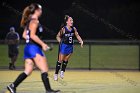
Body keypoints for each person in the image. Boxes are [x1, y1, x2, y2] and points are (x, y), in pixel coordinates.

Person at [7, 3, 60, 93]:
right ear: (36, 11)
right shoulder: (34, 21)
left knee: (28, 71)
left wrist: (35, 43)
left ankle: (13, 86)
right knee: (44, 69)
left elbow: (24, 35)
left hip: (28, 48)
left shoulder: (30, 21)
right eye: (40, 9)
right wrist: (42, 44)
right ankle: (48, 90)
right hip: (34, 48)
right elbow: (32, 35)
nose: (41, 11)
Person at [54, 15, 83, 81]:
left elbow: (77, 35)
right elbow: (57, 36)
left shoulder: (74, 29)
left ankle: (62, 71)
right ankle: (56, 74)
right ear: (67, 22)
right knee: (60, 60)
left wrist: (81, 41)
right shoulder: (64, 29)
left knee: (66, 59)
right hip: (64, 45)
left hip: (70, 46)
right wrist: (60, 41)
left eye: (72, 20)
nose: (72, 21)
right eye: (70, 20)